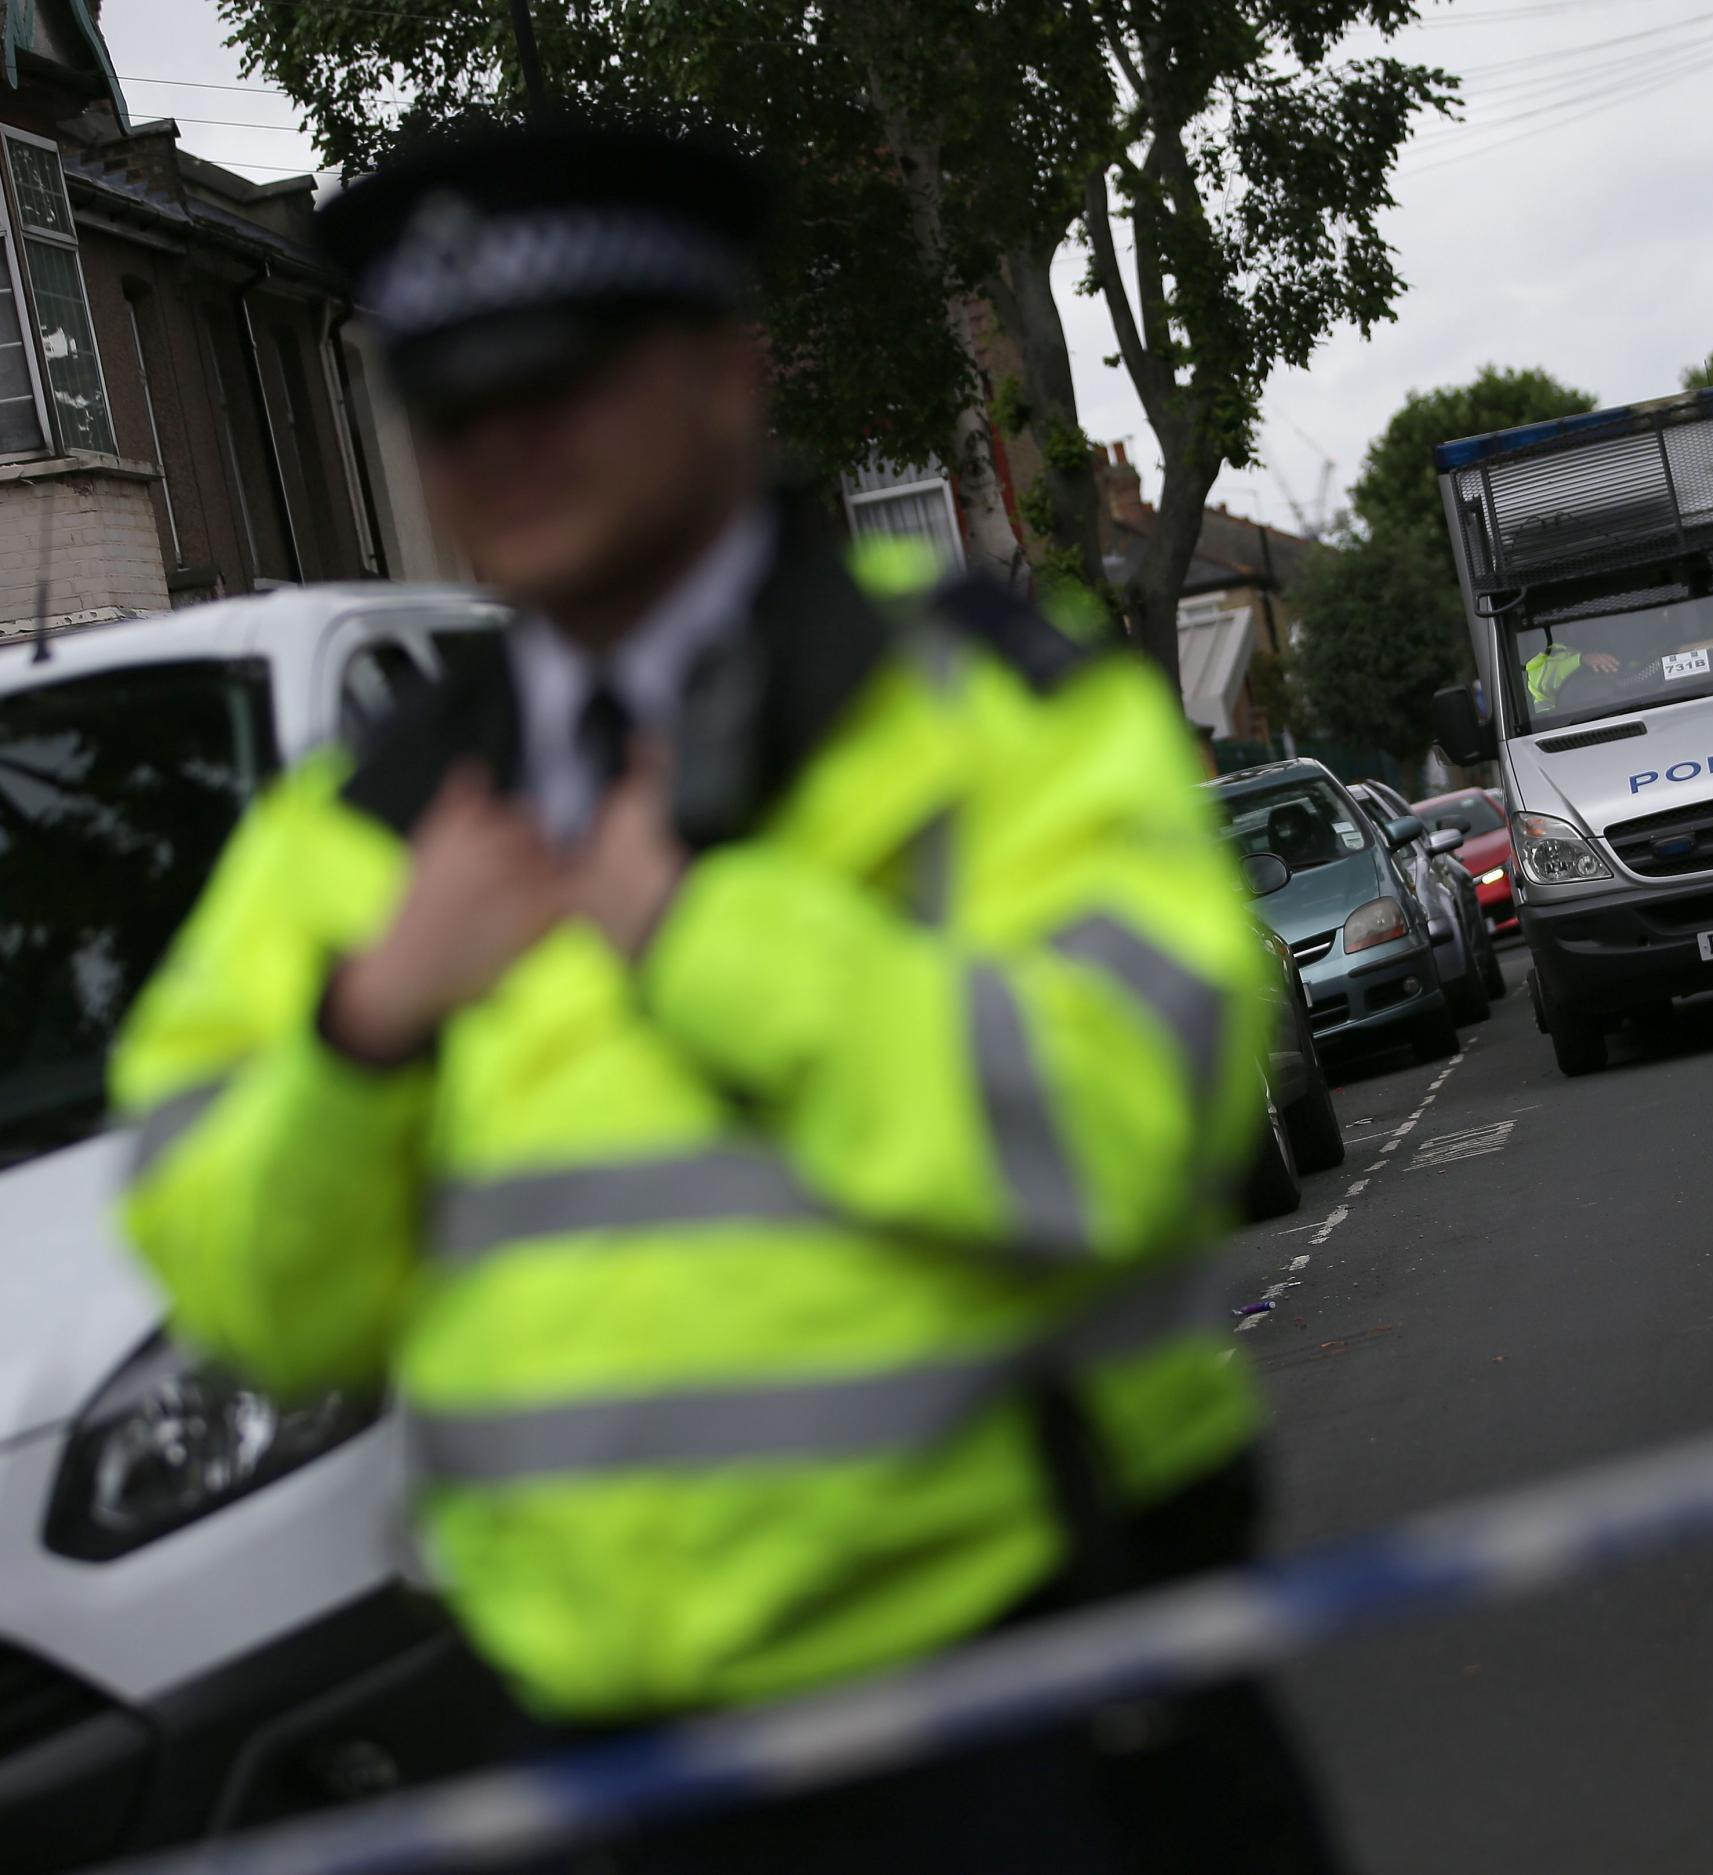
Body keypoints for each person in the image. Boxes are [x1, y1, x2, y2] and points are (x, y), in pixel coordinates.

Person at [110, 121, 1341, 1874]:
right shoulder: (364, 834)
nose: (506, 443)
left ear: (726, 374)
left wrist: (700, 938)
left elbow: (1135, 1129)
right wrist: (364, 1027)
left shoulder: (985, 708)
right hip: (603, 1770)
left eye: (561, 379)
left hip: (1043, 1712)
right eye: (456, 405)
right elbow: (248, 1302)